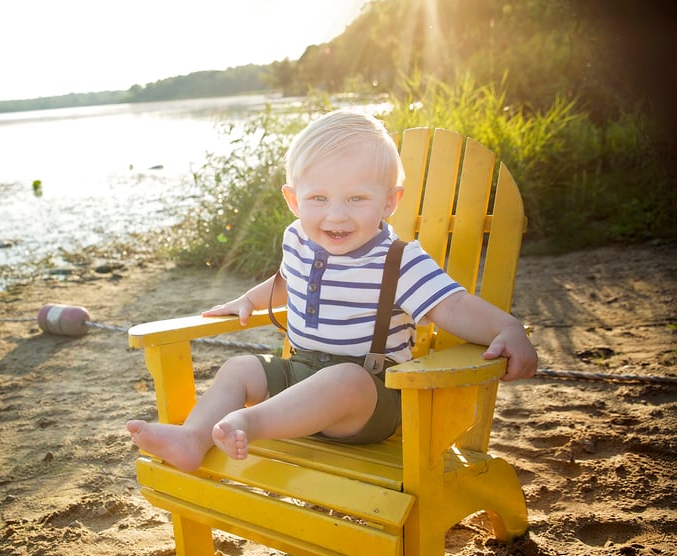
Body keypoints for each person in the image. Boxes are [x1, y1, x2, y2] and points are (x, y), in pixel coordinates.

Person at [127, 110, 538, 473]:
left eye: (356, 199)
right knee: (240, 367)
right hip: (299, 376)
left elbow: (452, 306)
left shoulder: (399, 260)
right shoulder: (299, 241)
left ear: (390, 202)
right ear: (293, 199)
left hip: (369, 402)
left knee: (345, 379)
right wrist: (250, 300)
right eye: (318, 198)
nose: (336, 215)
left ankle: (249, 424)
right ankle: (192, 439)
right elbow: (287, 282)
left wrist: (508, 328)